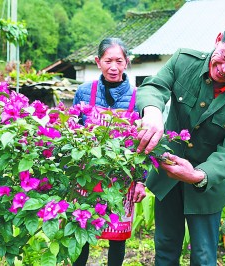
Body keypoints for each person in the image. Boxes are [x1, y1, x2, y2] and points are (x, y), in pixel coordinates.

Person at [135, 16, 225, 265]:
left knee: (204, 256)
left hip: (206, 186)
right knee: (165, 248)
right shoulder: (183, 61)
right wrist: (152, 111)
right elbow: (153, 87)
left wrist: (198, 175)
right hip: (166, 176)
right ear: (219, 39)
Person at [72, 38, 146, 266]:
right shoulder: (84, 92)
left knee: (117, 237)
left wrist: (141, 181)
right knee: (80, 232)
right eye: (108, 61)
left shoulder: (138, 96)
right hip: (87, 176)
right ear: (98, 62)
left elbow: (142, 145)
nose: (113, 67)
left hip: (121, 179)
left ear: (127, 63)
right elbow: (72, 131)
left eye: (119, 61)